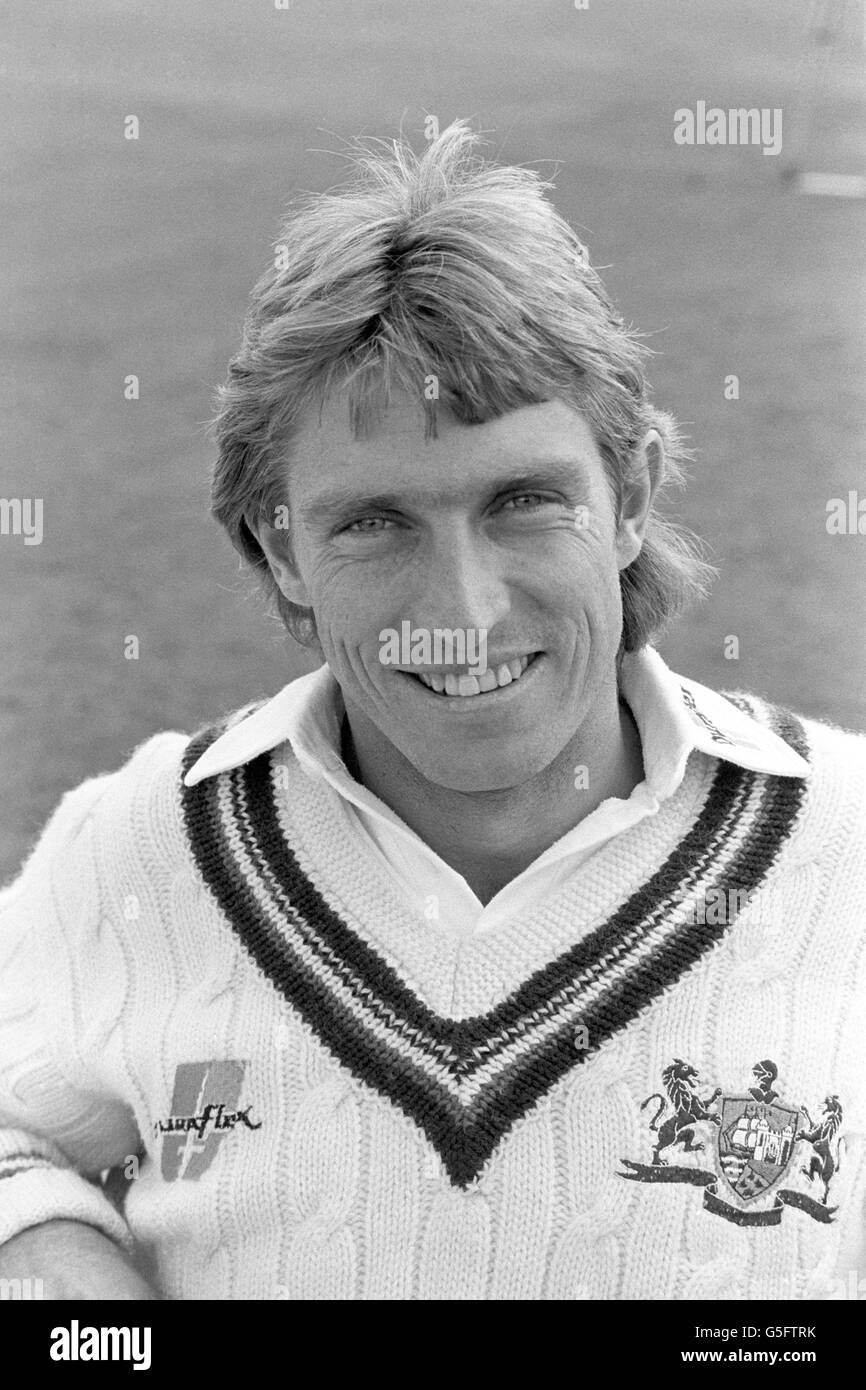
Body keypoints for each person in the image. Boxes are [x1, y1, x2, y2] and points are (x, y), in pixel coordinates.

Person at [1, 122, 863, 1302]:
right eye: (373, 521)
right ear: (280, 546)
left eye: (521, 501)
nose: (458, 609)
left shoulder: (844, 847)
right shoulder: (139, 843)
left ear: (629, 500)